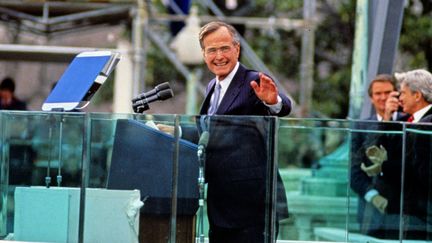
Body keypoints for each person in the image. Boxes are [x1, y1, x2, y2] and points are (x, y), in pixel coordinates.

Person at [350, 74, 408, 238]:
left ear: (396, 94)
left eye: (388, 92)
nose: (383, 97)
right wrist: (373, 197)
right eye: (378, 93)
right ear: (371, 98)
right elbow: (355, 171)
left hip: (402, 210)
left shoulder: (409, 121)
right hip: (371, 211)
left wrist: (389, 119)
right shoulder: (361, 126)